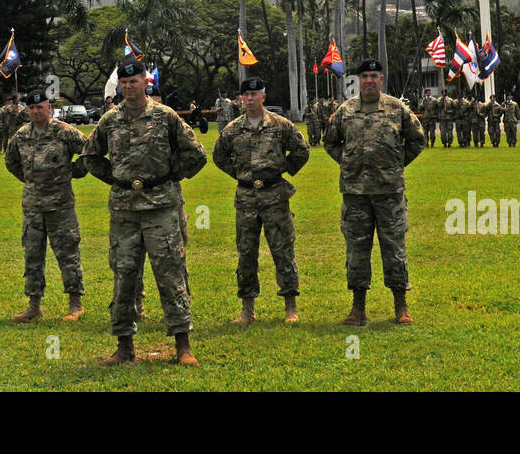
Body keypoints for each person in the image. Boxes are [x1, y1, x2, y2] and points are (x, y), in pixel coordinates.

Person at [80, 59, 207, 367]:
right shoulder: (109, 120)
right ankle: (124, 346)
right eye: (123, 82)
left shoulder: (166, 116)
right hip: (124, 211)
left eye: (133, 81)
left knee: (170, 274)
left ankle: (183, 345)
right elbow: (91, 157)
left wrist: (169, 177)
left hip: (161, 208)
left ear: (144, 82)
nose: (128, 86)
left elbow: (197, 154)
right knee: (124, 276)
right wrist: (117, 180)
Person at [323, 58, 425, 327]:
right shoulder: (345, 110)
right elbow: (330, 141)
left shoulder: (396, 108)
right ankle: (358, 309)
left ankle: (401, 306)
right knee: (356, 252)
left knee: (394, 250)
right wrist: (348, 163)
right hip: (355, 195)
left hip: (389, 192)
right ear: (358, 80)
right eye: (364, 76)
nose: (369, 80)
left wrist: (395, 164)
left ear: (381, 79)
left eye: (374, 76)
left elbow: (417, 139)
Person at [212, 76, 310, 325]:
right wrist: (238, 174)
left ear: (263, 97)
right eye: (246, 95)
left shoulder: (280, 125)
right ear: (241, 98)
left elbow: (301, 150)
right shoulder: (233, 129)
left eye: (255, 94)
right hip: (246, 198)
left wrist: (283, 169)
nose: (250, 99)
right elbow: (219, 156)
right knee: (246, 253)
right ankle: (247, 309)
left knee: (283, 250)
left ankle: (290, 306)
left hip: (275, 195)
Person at [5, 90, 89, 323]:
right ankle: (34, 305)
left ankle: (75, 304)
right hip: (32, 206)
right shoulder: (21, 135)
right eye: (31, 108)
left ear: (48, 108)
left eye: (39, 107)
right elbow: (10, 162)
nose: (35, 111)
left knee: (67, 252)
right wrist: (31, 181)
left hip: (60, 205)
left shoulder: (64, 132)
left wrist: (74, 172)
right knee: (33, 255)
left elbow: (89, 150)